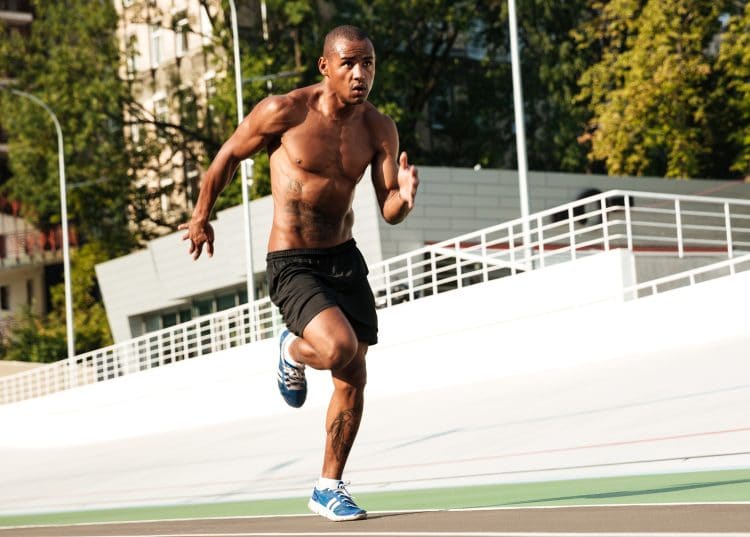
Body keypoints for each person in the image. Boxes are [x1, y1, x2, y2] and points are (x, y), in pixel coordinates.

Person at [179, 25, 419, 522]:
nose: (361, 74)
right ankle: (291, 348)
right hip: (293, 260)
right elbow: (227, 157)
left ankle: (328, 487)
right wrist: (201, 215)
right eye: (349, 63)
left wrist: (406, 199)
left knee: (353, 377)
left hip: (343, 257)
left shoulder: (379, 128)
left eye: (368, 63)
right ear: (325, 66)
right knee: (337, 348)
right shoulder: (284, 111)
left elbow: (389, 209)